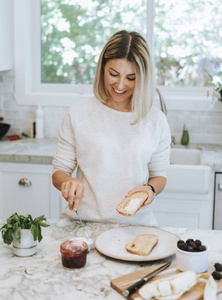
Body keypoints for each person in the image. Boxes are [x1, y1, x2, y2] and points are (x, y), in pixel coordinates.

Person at [52, 30, 171, 226]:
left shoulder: (156, 120)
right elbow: (59, 173)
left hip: (136, 226)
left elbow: (159, 176)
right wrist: (67, 182)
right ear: (102, 69)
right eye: (113, 74)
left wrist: (150, 189)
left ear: (143, 77)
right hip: (84, 224)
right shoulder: (78, 114)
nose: (120, 85)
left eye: (131, 78)